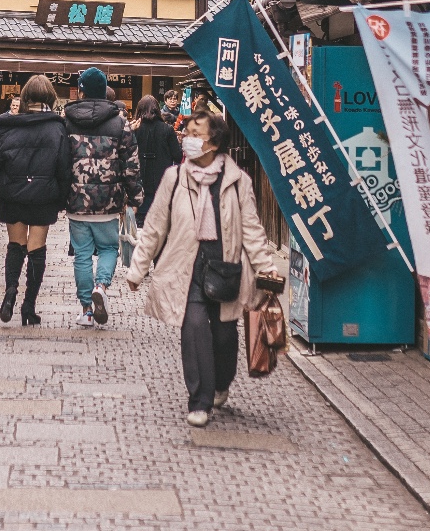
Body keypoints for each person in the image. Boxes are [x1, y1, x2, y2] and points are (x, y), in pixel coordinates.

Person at [127, 111, 284, 427]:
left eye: (195, 132)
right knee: (194, 326)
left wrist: (267, 271)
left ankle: (221, 383)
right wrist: (137, 269)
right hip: (187, 269)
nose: (187, 137)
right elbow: (156, 226)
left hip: (228, 269)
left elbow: (252, 230)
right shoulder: (174, 177)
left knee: (224, 336)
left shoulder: (238, 181)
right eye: (186, 132)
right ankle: (199, 401)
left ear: (214, 142)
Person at [0, 74, 71, 325]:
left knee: (15, 245)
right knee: (36, 248)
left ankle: (10, 291)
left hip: (12, 194)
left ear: (25, 98)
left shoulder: (6, 126)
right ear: (51, 98)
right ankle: (29, 306)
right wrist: (62, 198)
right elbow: (64, 168)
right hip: (44, 196)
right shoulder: (58, 128)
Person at [61, 68, 140, 327]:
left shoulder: (67, 120)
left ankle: (86, 309)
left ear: (81, 90)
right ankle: (102, 287)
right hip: (109, 198)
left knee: (82, 254)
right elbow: (131, 164)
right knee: (108, 248)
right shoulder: (120, 122)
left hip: (76, 198)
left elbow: (61, 160)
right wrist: (135, 195)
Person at [132, 94, 180, 237]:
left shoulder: (134, 129)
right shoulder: (167, 130)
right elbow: (177, 155)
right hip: (161, 181)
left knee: (139, 228)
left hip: (138, 182)